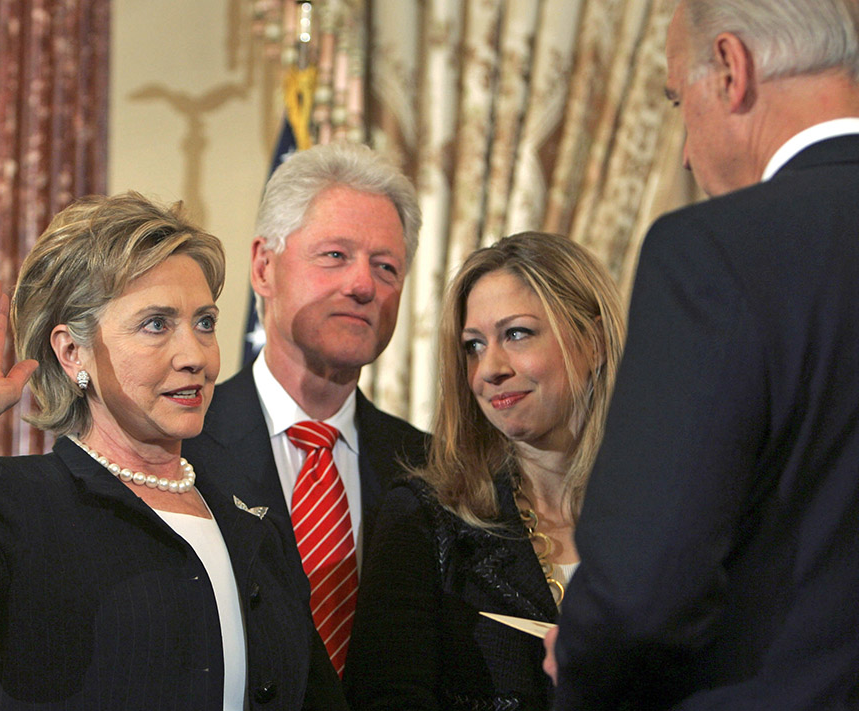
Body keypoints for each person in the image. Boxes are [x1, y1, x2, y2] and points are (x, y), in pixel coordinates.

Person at [0, 193, 346, 711]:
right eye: (156, 324)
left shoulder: (250, 515)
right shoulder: (13, 502)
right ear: (73, 352)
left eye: (204, 322)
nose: (195, 356)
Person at [547, 1, 859, 708]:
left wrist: (579, 658)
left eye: (675, 100)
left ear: (730, 68)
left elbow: (640, 594)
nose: (685, 150)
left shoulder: (714, 252)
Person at [343, 233, 626, 710]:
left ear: (593, 342)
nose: (488, 369)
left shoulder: (673, 513)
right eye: (473, 346)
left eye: (516, 334)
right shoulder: (424, 517)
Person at [182, 142, 430, 678]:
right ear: (264, 267)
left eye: (386, 266)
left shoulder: (432, 468)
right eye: (335, 255)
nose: (364, 285)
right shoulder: (180, 447)